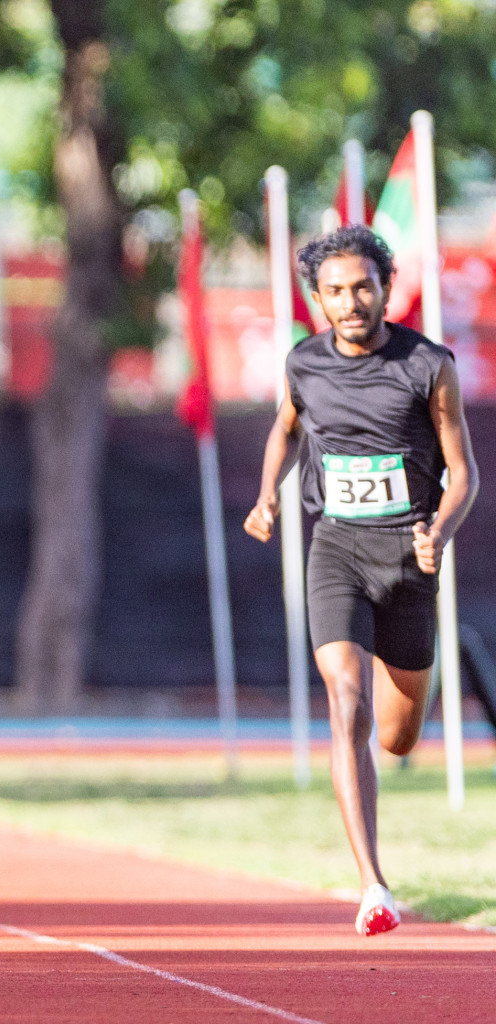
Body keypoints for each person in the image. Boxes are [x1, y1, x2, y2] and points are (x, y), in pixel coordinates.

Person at [245, 224, 478, 936]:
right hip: (337, 550)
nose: (350, 303)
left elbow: (463, 470)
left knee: (398, 737)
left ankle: (395, 737)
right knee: (347, 704)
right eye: (335, 291)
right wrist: (269, 493)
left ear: (386, 288)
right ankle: (373, 885)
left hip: (408, 559)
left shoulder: (427, 364)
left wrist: (438, 531)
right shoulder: (304, 362)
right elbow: (286, 428)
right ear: (317, 296)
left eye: (362, 288)